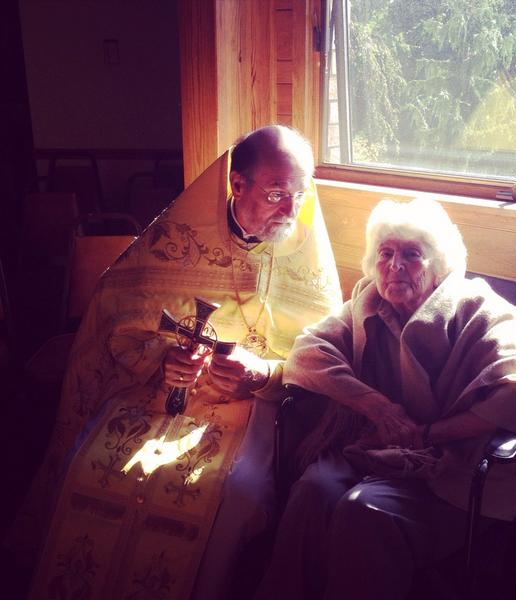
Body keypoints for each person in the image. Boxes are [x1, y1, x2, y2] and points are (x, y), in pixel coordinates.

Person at [15, 125, 342, 600]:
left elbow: (324, 354)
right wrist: (162, 359)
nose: (291, 210)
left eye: (300, 193)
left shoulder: (307, 253)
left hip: (252, 408)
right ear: (237, 185)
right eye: (276, 194)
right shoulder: (179, 238)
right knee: (92, 466)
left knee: (237, 493)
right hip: (156, 397)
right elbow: (117, 314)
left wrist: (263, 374)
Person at [255, 198, 516, 600]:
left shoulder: (484, 313)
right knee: (314, 489)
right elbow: (307, 355)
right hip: (373, 449)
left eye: (411, 254)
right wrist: (376, 407)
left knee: (365, 509)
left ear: (439, 265)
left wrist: (425, 434)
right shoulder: (366, 303)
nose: (395, 265)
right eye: (385, 253)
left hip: (453, 466)